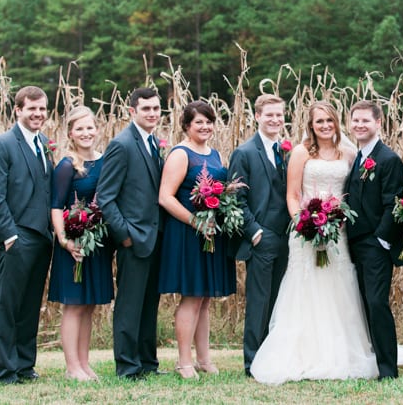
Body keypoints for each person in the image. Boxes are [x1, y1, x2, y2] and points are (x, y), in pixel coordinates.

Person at [250, 101, 377, 384]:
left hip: (338, 231)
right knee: (306, 286)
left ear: (335, 122)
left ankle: (343, 349)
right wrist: (305, 224)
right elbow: (292, 195)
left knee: (338, 284)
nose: (324, 126)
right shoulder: (300, 153)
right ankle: (304, 352)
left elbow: (353, 193)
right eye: (319, 121)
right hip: (305, 231)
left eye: (329, 121)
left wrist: (336, 221)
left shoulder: (349, 152)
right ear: (311, 124)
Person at [0, 86, 54, 384]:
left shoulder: (45, 143)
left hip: (41, 237)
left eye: (42, 108)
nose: (37, 114)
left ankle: (25, 364)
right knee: (8, 305)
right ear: (18, 110)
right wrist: (9, 235)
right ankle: (6, 370)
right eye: (31, 108)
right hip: (15, 238)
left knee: (29, 305)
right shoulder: (3, 144)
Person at [158, 101, 236, 379]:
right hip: (187, 234)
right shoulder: (181, 154)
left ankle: (204, 358)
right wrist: (195, 221)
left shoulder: (214, 154)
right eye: (198, 122)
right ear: (187, 126)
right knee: (191, 297)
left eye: (209, 121)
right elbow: (165, 196)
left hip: (210, 233)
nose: (205, 127)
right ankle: (183, 361)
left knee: (204, 298)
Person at [97, 87, 164, 380]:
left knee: (149, 304)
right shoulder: (122, 144)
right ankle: (127, 366)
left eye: (156, 108)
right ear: (132, 111)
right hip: (133, 239)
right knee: (130, 304)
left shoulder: (153, 143)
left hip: (155, 238)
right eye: (146, 109)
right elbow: (105, 196)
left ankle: (148, 362)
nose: (152, 113)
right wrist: (123, 234)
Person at [47, 106, 113, 381]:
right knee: (74, 305)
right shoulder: (67, 166)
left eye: (90, 127)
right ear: (71, 133)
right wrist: (65, 240)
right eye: (80, 129)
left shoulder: (105, 160)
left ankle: (85, 364)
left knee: (89, 304)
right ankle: (72, 366)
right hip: (73, 246)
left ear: (97, 129)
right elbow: (55, 206)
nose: (86, 133)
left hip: (96, 244)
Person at [228, 94, 291, 377]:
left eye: (279, 115)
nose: (275, 120)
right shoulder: (244, 153)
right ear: (257, 116)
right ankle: (252, 362)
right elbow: (236, 199)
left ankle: (272, 357)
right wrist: (254, 232)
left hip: (286, 238)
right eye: (269, 115)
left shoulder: (284, 150)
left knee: (278, 300)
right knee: (259, 301)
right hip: (261, 237)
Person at [345, 100, 403, 380]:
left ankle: (388, 369)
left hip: (375, 245)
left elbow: (393, 204)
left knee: (378, 303)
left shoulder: (388, 159)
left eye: (365, 121)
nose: (359, 125)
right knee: (365, 304)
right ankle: (373, 360)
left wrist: (381, 241)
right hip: (354, 244)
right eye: (355, 120)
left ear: (378, 122)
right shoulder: (358, 157)